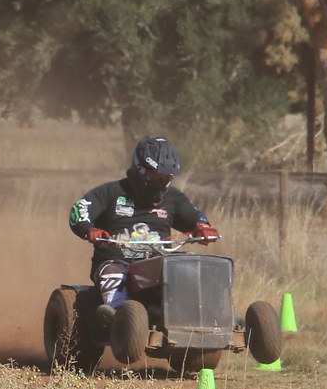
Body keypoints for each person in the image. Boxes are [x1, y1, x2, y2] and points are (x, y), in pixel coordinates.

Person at [68, 135, 220, 330]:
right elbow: (80, 209)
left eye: (166, 178)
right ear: (140, 170)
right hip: (116, 261)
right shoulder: (112, 192)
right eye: (156, 177)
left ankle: (208, 316)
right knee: (115, 274)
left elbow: (193, 216)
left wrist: (202, 226)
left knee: (189, 265)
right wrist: (89, 229)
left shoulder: (173, 198)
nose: (160, 183)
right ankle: (117, 317)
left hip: (157, 262)